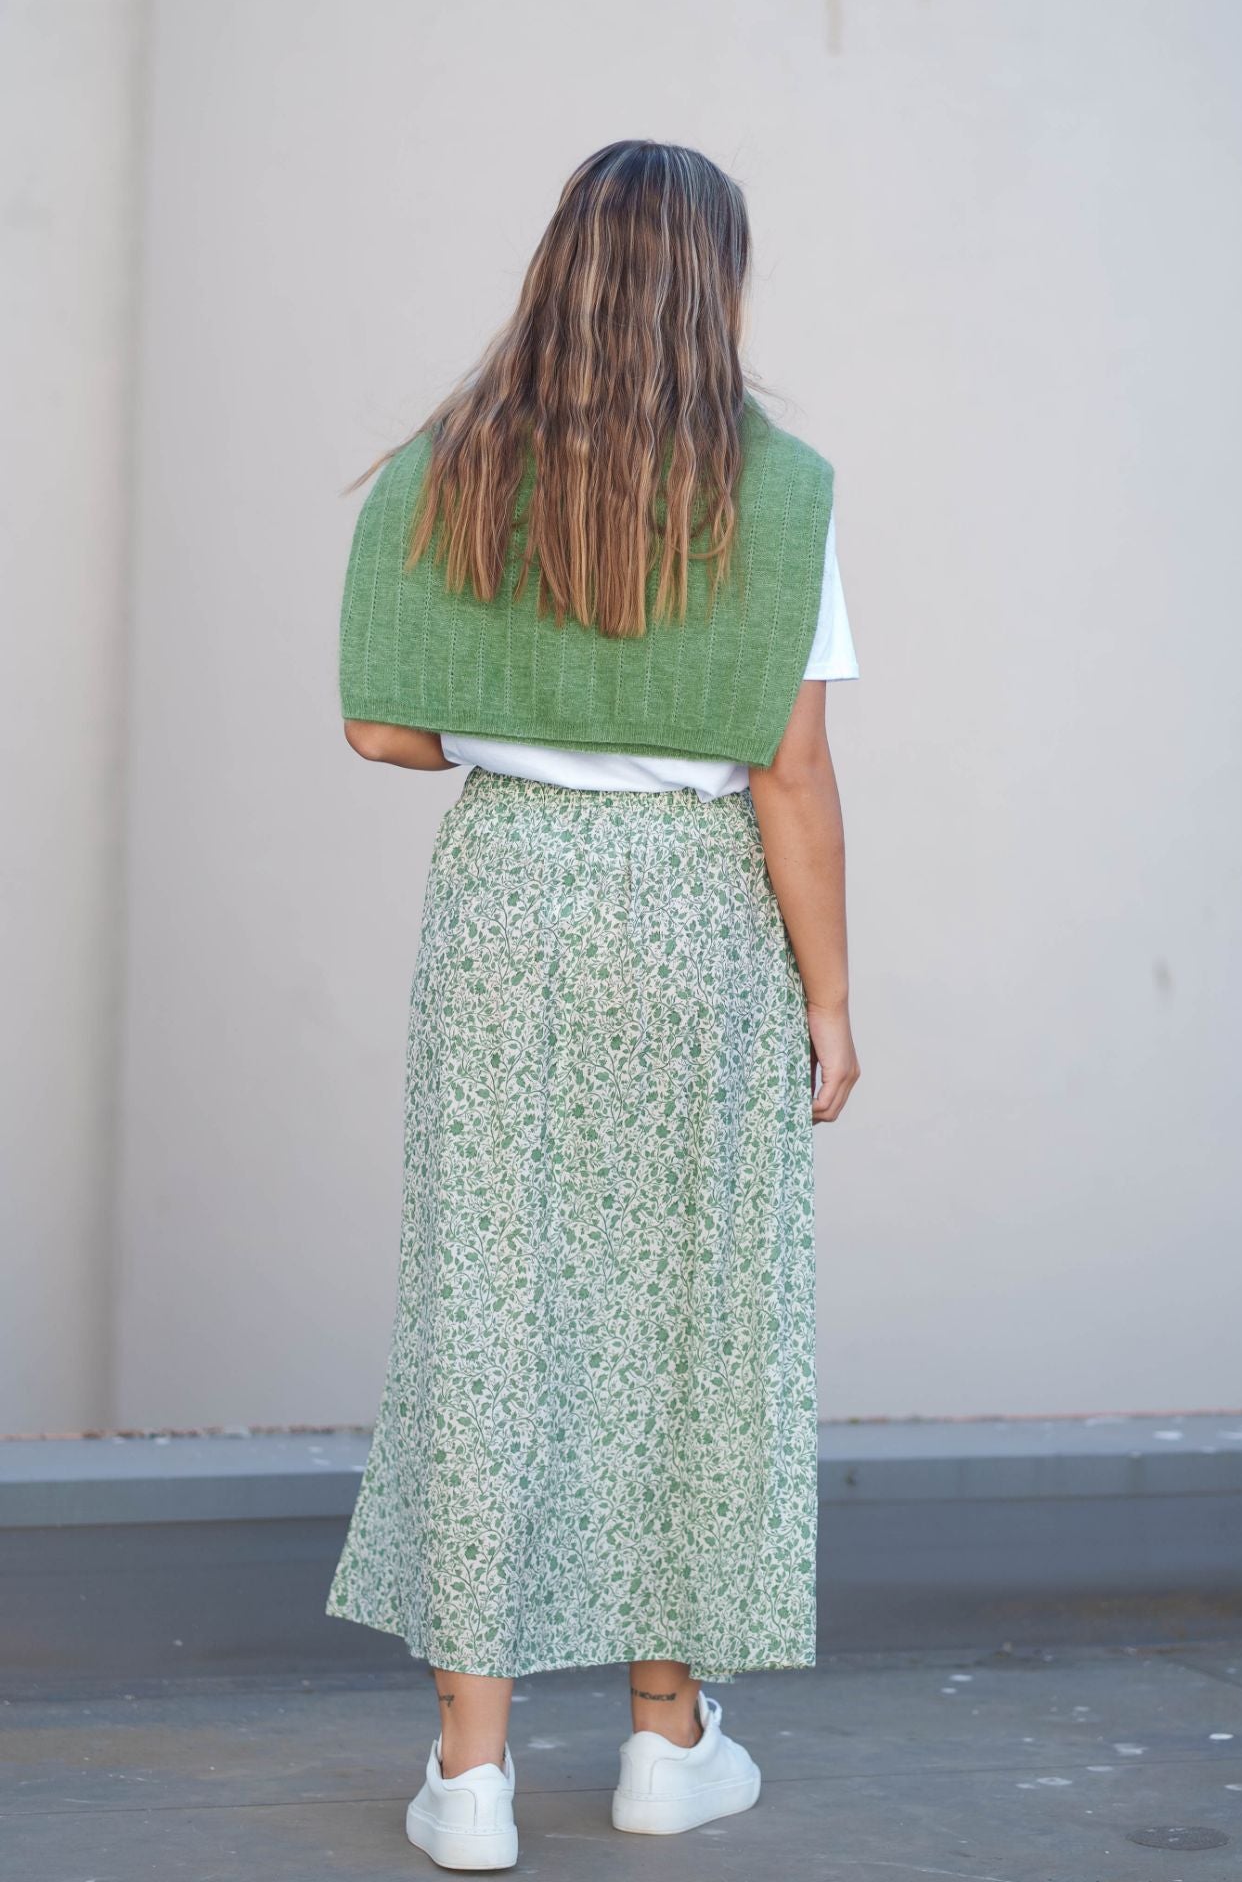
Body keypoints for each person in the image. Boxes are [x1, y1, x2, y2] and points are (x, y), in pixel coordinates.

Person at [325, 138, 861, 1871]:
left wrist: (524, 716)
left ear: (558, 266)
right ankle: (664, 1741)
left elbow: (380, 725)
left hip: (506, 899)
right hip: (697, 915)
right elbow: (789, 776)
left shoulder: (447, 469)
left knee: (488, 1302)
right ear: (719, 288)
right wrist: (831, 1003)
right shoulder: (779, 496)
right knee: (689, 1313)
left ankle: (471, 1775)